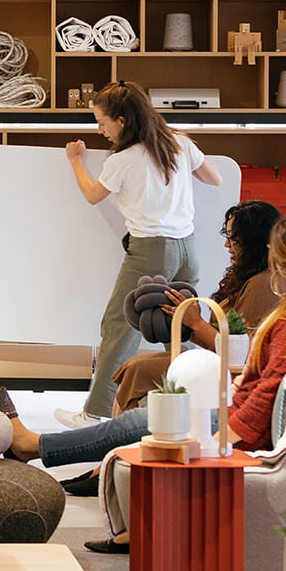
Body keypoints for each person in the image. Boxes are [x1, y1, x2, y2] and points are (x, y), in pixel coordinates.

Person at [8, 210, 286, 550]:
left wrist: (219, 442)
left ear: (283, 264)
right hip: (254, 414)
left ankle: (34, 446)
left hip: (256, 429)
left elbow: (267, 393)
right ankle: (116, 498)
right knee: (154, 411)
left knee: (151, 419)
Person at [56, 81, 221, 428]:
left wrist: (74, 161)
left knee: (119, 324)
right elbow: (215, 178)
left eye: (102, 122)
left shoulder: (124, 160)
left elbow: (92, 195)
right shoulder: (178, 143)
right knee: (179, 328)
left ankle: (98, 412)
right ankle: (202, 405)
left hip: (151, 251)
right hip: (187, 249)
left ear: (122, 121)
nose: (99, 130)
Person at [109, 199, 284, 417]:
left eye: (233, 238)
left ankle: (121, 437)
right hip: (220, 365)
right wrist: (186, 323)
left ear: (253, 240)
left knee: (138, 369)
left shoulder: (263, 284)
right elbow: (220, 342)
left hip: (234, 374)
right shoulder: (248, 276)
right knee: (135, 365)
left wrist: (196, 322)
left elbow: (242, 354)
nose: (227, 245)